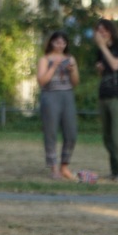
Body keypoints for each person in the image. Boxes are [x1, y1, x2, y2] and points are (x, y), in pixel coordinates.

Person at [93, 19, 118, 182]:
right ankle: (115, 170)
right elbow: (103, 70)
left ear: (111, 31)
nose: (102, 33)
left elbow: (116, 65)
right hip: (104, 94)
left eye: (105, 30)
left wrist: (103, 47)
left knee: (117, 135)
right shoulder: (100, 50)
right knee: (107, 137)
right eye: (99, 30)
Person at [37, 31, 80, 181]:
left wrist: (72, 70)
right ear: (51, 43)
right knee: (50, 133)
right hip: (50, 96)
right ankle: (53, 167)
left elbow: (75, 82)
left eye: (63, 42)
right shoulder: (44, 59)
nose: (60, 45)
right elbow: (42, 81)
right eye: (57, 42)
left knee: (71, 133)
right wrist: (53, 67)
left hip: (67, 95)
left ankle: (64, 166)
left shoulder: (70, 59)